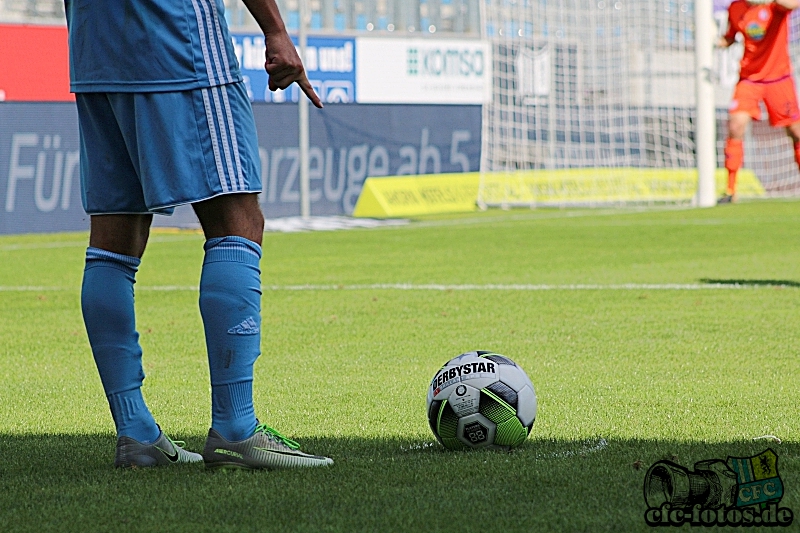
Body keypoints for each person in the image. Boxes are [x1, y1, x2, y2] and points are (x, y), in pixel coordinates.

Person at [64, 0, 332, 469]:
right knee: (237, 222)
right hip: (176, 39)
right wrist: (275, 29)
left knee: (112, 237)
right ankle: (236, 428)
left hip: (93, 47)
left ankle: (135, 433)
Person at [718, 0, 800, 203]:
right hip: (749, 79)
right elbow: (730, 37)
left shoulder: (774, 6)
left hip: (778, 79)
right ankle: (730, 190)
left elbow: (793, 4)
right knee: (736, 126)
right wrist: (714, 41)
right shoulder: (736, 8)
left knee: (796, 132)